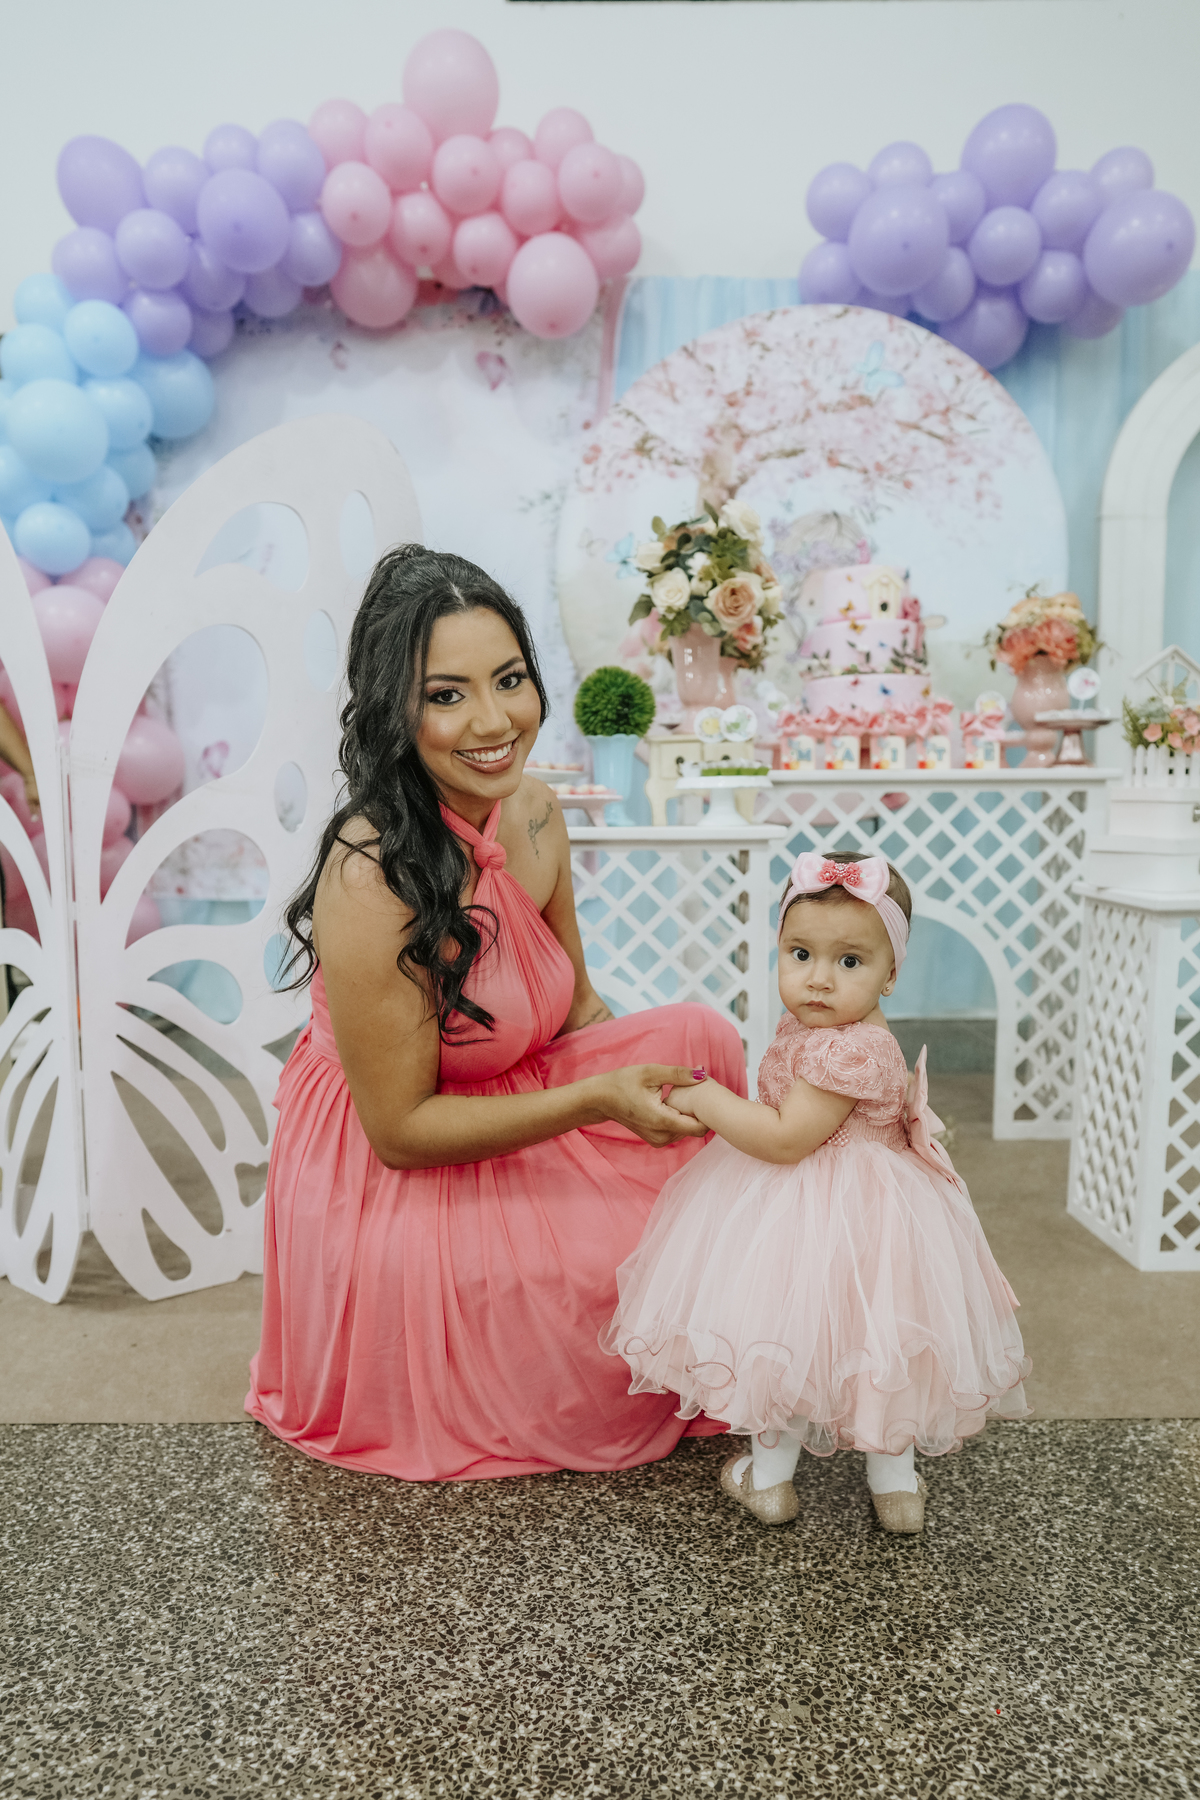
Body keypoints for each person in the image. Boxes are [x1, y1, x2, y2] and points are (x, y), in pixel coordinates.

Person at [247, 545, 746, 1480]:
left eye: (509, 680)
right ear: (393, 711)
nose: (492, 722)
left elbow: (579, 1003)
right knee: (608, 1262)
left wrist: (646, 1103)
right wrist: (598, 1104)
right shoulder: (372, 872)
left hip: (517, 1077)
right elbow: (401, 1130)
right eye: (447, 695)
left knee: (704, 1044)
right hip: (400, 1144)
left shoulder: (538, 812)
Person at [603, 850, 1031, 1534]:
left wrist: (704, 1096)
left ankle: (772, 1478)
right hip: (865, 1211)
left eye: (850, 962)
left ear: (891, 974)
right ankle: (896, 1488)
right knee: (872, 1346)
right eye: (800, 954)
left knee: (792, 1339)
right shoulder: (825, 1028)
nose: (819, 979)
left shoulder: (845, 1048)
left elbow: (784, 1139)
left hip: (827, 1214)